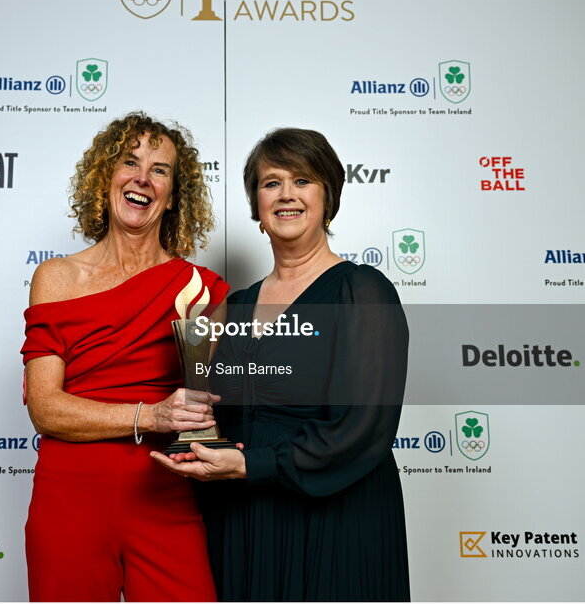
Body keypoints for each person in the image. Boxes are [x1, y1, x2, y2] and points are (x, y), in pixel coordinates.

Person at [151, 128, 410, 601]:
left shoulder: (362, 291)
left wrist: (256, 464)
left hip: (336, 519)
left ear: (327, 196)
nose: (286, 194)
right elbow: (220, 410)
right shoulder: (235, 304)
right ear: (256, 205)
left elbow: (365, 425)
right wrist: (196, 438)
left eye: (302, 180)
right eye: (271, 183)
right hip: (246, 519)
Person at [21, 113, 229, 602]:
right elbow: (46, 409)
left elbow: (220, 404)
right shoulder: (56, 278)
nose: (142, 177)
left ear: (174, 195)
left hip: (164, 492)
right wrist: (150, 414)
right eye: (130, 162)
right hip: (68, 494)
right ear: (105, 178)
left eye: (160, 170)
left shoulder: (202, 289)